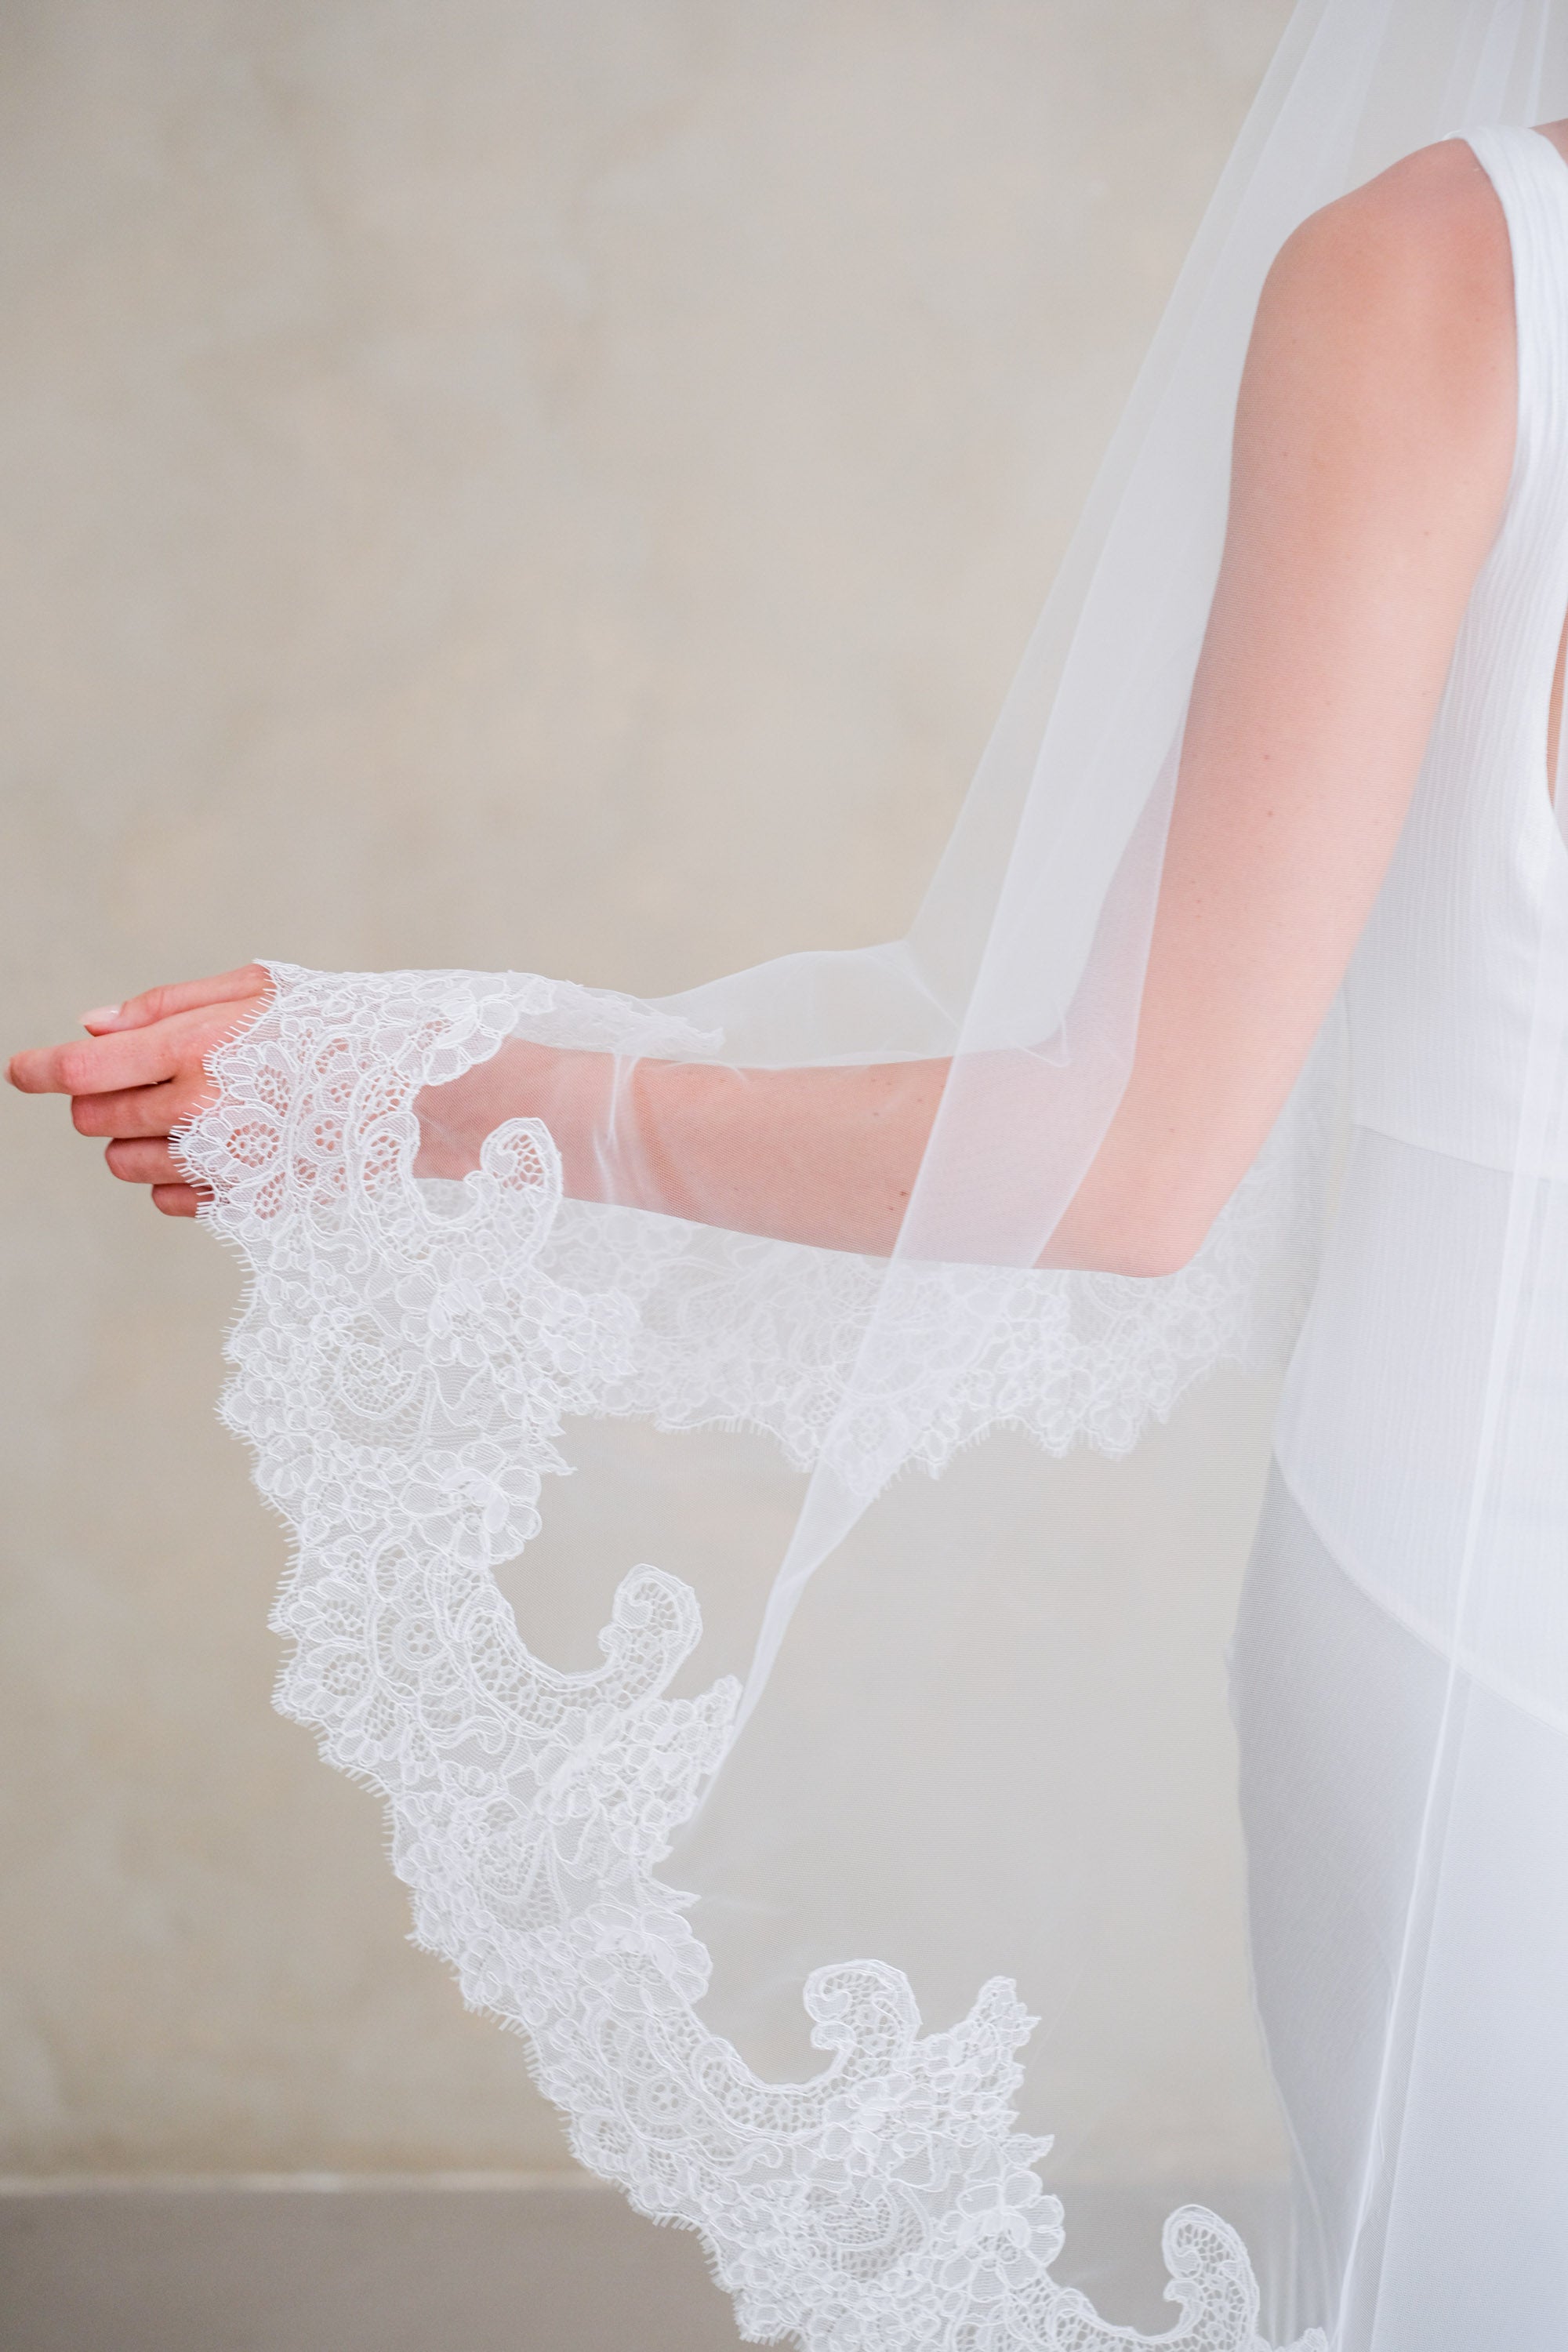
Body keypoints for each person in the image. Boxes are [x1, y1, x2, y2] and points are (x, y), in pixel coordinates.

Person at [13, 35, 1568, 2350]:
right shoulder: (1458, 288)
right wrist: (427, 1082)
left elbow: (1134, 1158)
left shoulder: (1445, 280)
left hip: (1474, 1600)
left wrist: (434, 1088)